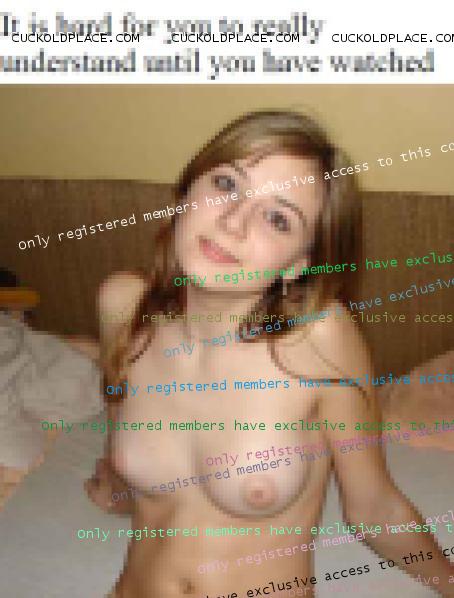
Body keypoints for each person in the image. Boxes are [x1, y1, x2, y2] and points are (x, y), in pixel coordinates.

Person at [88, 111, 454, 597]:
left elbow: (374, 508)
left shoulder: (319, 339)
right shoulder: (123, 304)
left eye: (277, 218)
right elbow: (121, 421)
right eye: (226, 183)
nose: (233, 222)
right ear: (188, 191)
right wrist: (117, 486)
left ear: (298, 264)